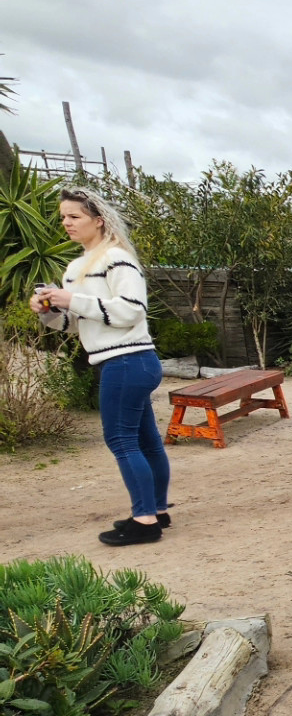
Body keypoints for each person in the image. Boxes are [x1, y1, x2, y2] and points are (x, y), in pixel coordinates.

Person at [31, 187, 171, 546]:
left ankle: (144, 521)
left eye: (74, 216)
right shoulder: (76, 267)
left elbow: (132, 310)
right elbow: (75, 324)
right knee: (145, 440)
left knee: (121, 439)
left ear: (98, 220)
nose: (66, 223)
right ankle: (156, 510)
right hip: (123, 361)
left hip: (128, 360)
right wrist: (50, 311)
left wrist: (72, 299)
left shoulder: (117, 259)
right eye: (63, 217)